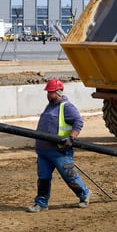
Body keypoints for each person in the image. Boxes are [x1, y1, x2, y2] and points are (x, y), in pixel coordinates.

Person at [27, 78, 91, 213]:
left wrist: (72, 137)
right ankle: (41, 203)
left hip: (59, 151)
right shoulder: (49, 106)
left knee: (69, 176)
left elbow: (78, 122)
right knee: (43, 178)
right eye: (48, 92)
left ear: (59, 92)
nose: (48, 95)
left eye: (51, 92)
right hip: (43, 151)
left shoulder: (66, 106)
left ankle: (84, 194)